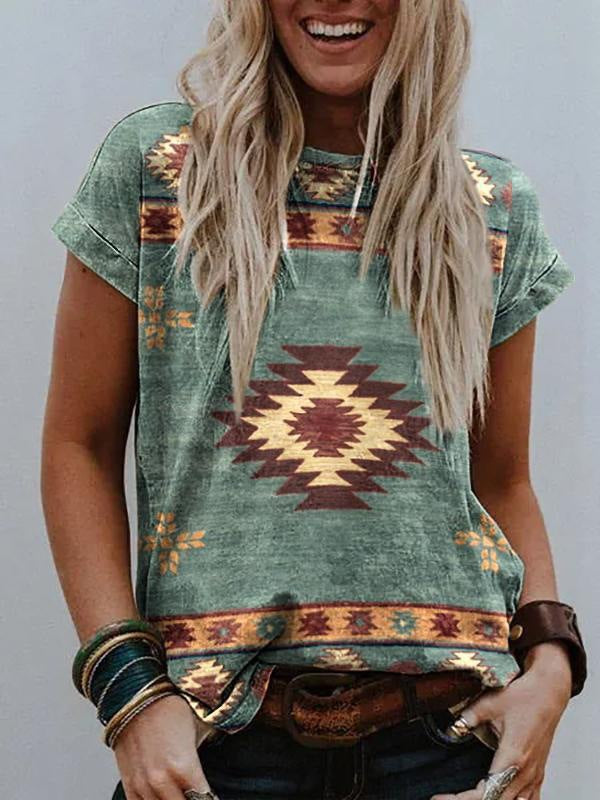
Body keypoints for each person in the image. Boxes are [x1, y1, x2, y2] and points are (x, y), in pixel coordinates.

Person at [41, 1, 587, 799]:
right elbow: (78, 447)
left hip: (445, 745)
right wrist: (129, 693)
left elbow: (501, 479)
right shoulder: (159, 171)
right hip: (219, 750)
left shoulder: (490, 207)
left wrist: (553, 661)